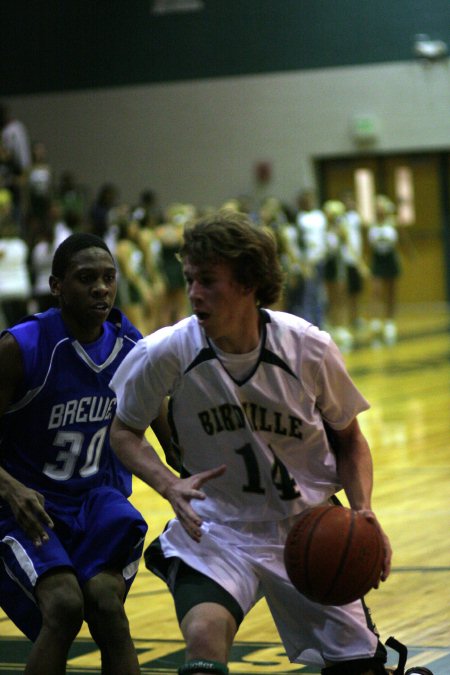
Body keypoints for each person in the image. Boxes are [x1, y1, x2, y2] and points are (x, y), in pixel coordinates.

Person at [109, 210, 396, 675]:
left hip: (308, 525)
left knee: (359, 666)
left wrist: (362, 510)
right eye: (190, 279)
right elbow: (123, 431)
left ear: (247, 283)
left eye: (208, 281)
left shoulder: (307, 347)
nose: (194, 293)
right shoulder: (167, 351)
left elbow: (349, 441)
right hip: (218, 530)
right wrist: (167, 484)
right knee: (203, 636)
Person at [0, 233, 148, 675]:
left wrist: (192, 482)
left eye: (108, 278)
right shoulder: (20, 347)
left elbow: (167, 430)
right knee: (63, 606)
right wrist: (9, 487)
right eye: (86, 279)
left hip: (94, 500)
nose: (101, 288)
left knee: (107, 608)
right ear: (57, 286)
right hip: (28, 504)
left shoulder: (130, 345)